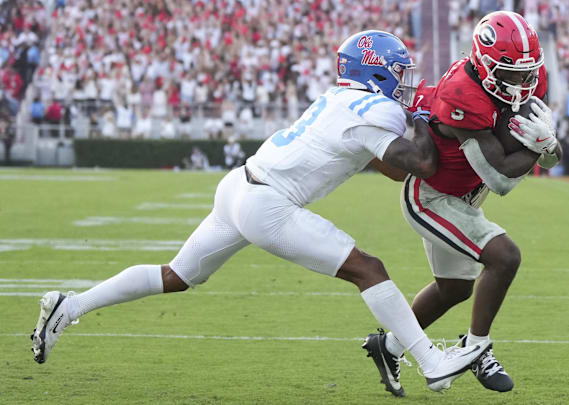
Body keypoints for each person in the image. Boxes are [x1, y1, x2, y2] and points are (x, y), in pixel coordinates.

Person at [29, 30, 485, 394]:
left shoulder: (340, 99)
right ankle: (431, 362)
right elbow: (421, 163)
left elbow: (387, 167)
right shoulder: (374, 108)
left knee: (176, 276)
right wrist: (428, 116)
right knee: (369, 269)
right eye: (398, 71)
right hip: (268, 204)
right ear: (377, 73)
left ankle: (70, 306)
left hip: (238, 188)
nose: (406, 81)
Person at [363, 11, 561, 396]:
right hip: (433, 197)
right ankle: (477, 348)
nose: (523, 82)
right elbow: (501, 178)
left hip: (465, 197)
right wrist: (541, 147)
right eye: (512, 73)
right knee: (504, 256)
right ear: (485, 63)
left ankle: (388, 348)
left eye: (528, 72)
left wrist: (549, 144)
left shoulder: (530, 78)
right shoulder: (461, 94)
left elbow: (550, 156)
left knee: (454, 289)